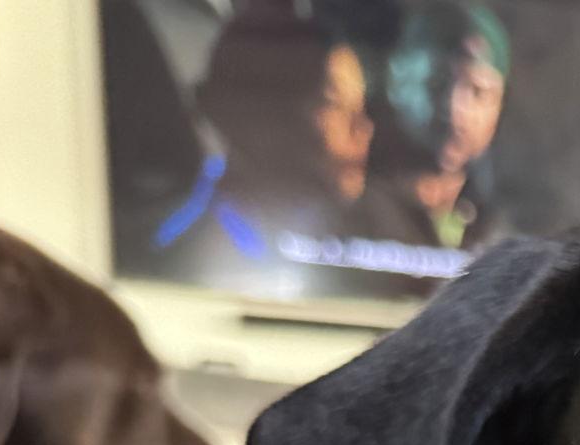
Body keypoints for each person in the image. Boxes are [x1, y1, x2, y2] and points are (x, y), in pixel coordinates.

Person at [152, 7, 372, 287]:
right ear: (250, 118)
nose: (363, 128)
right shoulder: (184, 264)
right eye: (331, 103)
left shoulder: (367, 244)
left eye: (361, 105)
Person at [357, 2, 509, 254]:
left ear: (499, 106)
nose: (455, 108)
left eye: (479, 92)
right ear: (397, 83)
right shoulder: (355, 213)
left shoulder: (502, 230)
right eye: (436, 82)